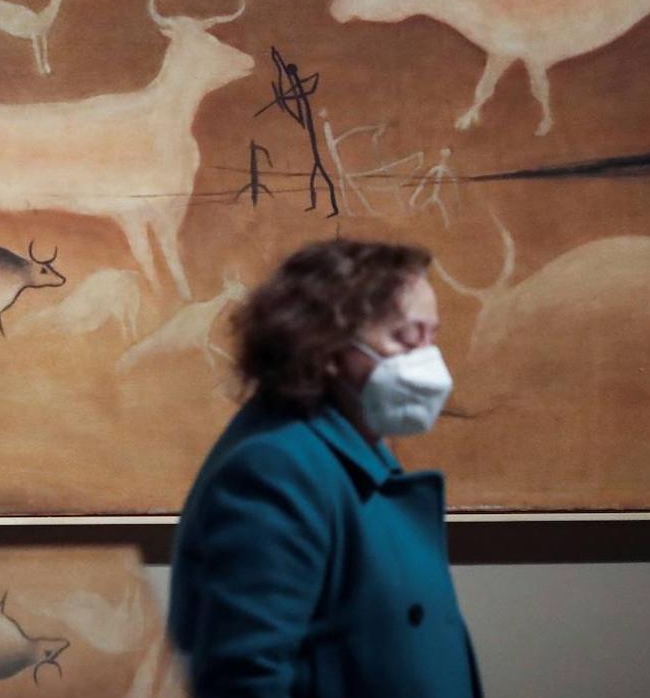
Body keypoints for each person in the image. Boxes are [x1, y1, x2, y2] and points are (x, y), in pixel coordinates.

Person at [168, 239, 482, 698]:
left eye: (431, 337)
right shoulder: (275, 469)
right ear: (327, 347)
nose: (429, 361)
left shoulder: (351, 450)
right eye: (405, 337)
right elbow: (246, 677)